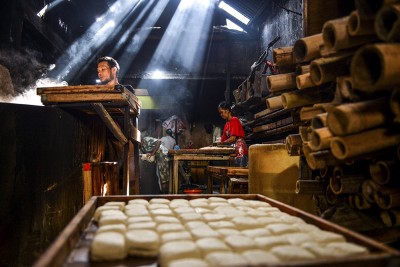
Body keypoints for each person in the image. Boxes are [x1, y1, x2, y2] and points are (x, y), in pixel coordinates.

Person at [140, 129, 175, 193]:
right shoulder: (141, 146)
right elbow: (147, 150)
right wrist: (148, 153)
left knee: (163, 175)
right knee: (160, 175)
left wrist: (153, 153)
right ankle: (163, 191)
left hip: (163, 155)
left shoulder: (146, 139)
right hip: (158, 157)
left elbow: (159, 141)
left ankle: (166, 193)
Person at [217, 101, 248, 167]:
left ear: (227, 110)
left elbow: (233, 138)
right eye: (220, 113)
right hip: (234, 148)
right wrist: (217, 145)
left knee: (240, 171)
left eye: (221, 112)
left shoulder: (234, 120)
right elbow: (223, 140)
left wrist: (221, 144)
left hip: (240, 148)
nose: (221, 115)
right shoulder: (226, 125)